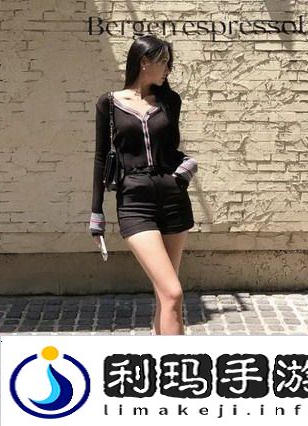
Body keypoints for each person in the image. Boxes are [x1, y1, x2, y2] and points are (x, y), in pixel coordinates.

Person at [89, 35, 198, 336]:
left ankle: (164, 356)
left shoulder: (170, 101)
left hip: (173, 199)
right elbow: (100, 158)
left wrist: (187, 166)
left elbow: (170, 150)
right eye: (164, 62)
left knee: (166, 296)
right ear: (144, 61)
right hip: (134, 202)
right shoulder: (109, 103)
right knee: (173, 292)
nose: (168, 69)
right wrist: (96, 212)